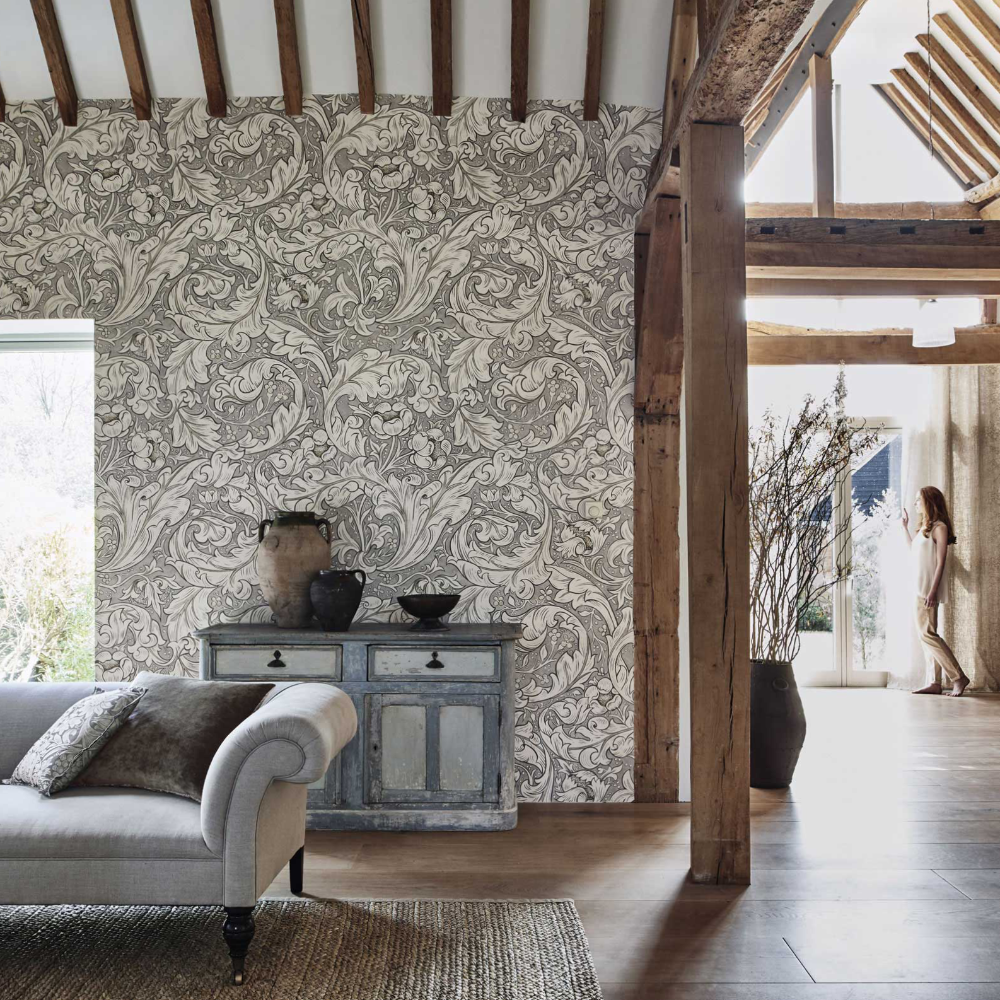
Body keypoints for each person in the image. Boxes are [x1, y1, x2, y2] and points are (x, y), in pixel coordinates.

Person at [901, 486, 970, 697]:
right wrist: (904, 527)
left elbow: (941, 563)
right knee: (925, 636)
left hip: (928, 589)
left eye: (918, 500)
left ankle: (958, 677)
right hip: (918, 586)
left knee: (928, 634)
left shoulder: (940, 527)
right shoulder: (924, 528)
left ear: (929, 502)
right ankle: (934, 682)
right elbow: (913, 552)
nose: (915, 504)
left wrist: (933, 590)